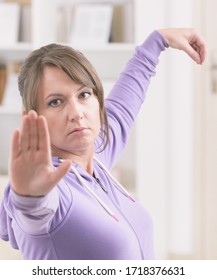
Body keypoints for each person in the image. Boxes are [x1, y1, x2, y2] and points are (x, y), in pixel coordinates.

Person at [0, 28, 206, 260]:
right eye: (56, 102)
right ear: (31, 117)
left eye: (84, 95)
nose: (76, 113)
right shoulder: (55, 190)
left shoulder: (96, 155)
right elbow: (33, 211)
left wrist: (158, 41)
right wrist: (29, 194)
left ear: (98, 100)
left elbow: (122, 107)